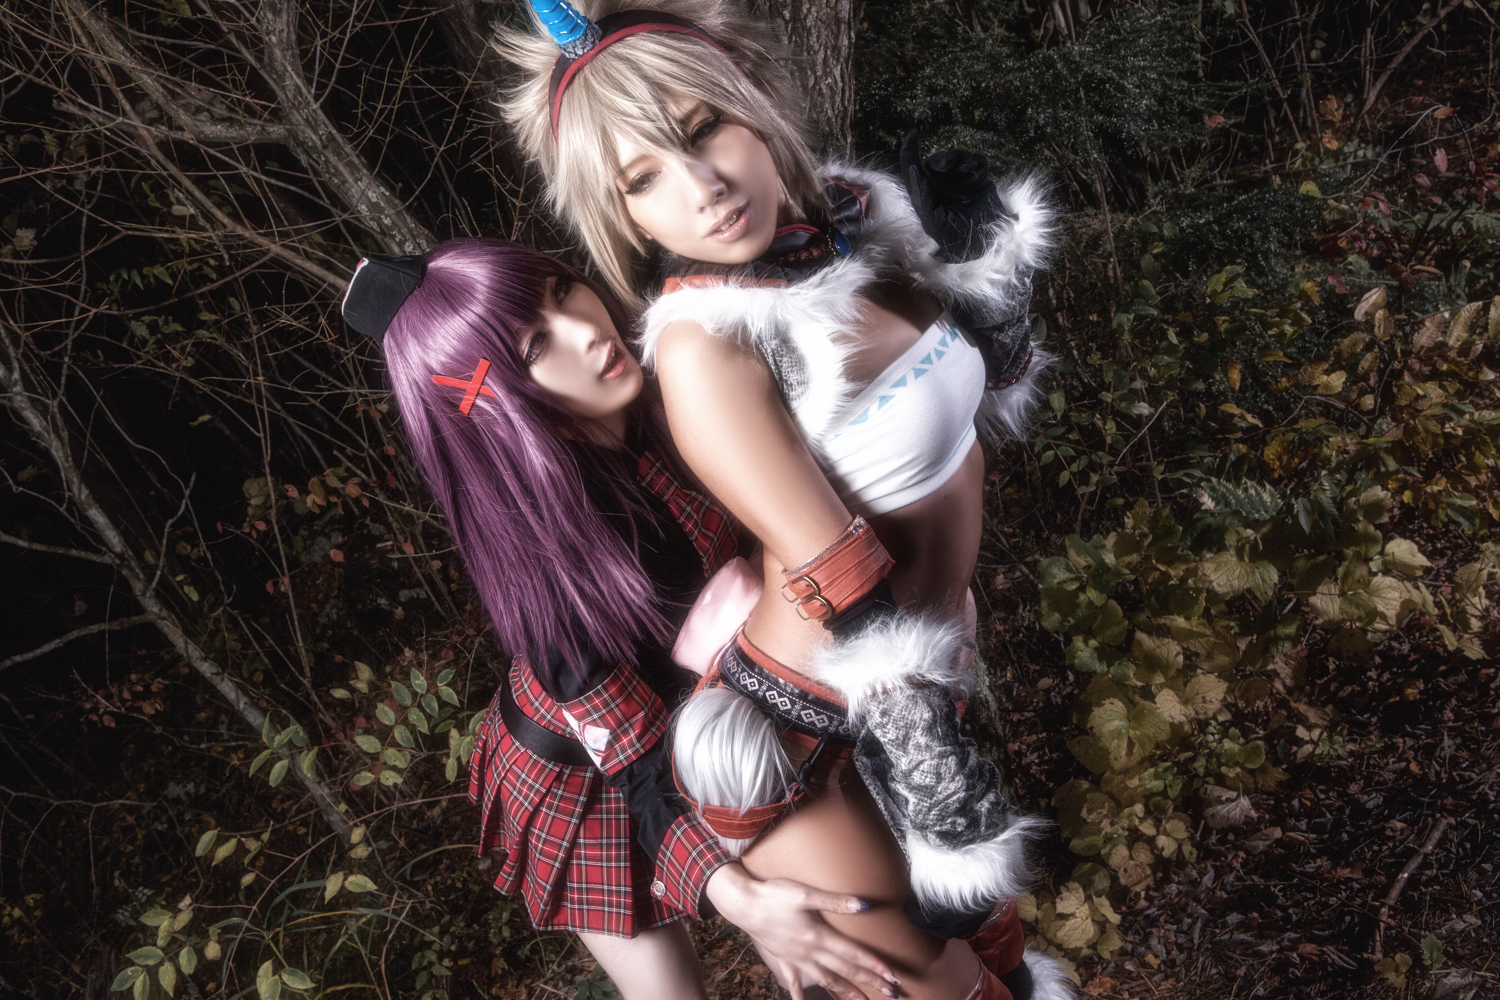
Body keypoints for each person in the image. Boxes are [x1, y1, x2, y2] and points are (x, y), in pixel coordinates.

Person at [492, 3, 1076, 999]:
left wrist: (990, 274)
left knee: (1007, 965)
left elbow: (981, 403)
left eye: (704, 129)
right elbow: (836, 575)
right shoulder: (705, 345)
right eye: (644, 178)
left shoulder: (857, 227)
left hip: (921, 679)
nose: (704, 188)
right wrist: (930, 766)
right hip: (800, 740)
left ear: (753, 100)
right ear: (623, 217)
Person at [339, 238, 905, 1000]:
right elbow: (639, 773)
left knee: (823, 939)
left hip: (711, 699)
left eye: (561, 291)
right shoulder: (548, 574)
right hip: (584, 777)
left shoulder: (671, 396)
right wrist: (743, 903)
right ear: (493, 404)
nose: (586, 331)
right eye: (536, 346)